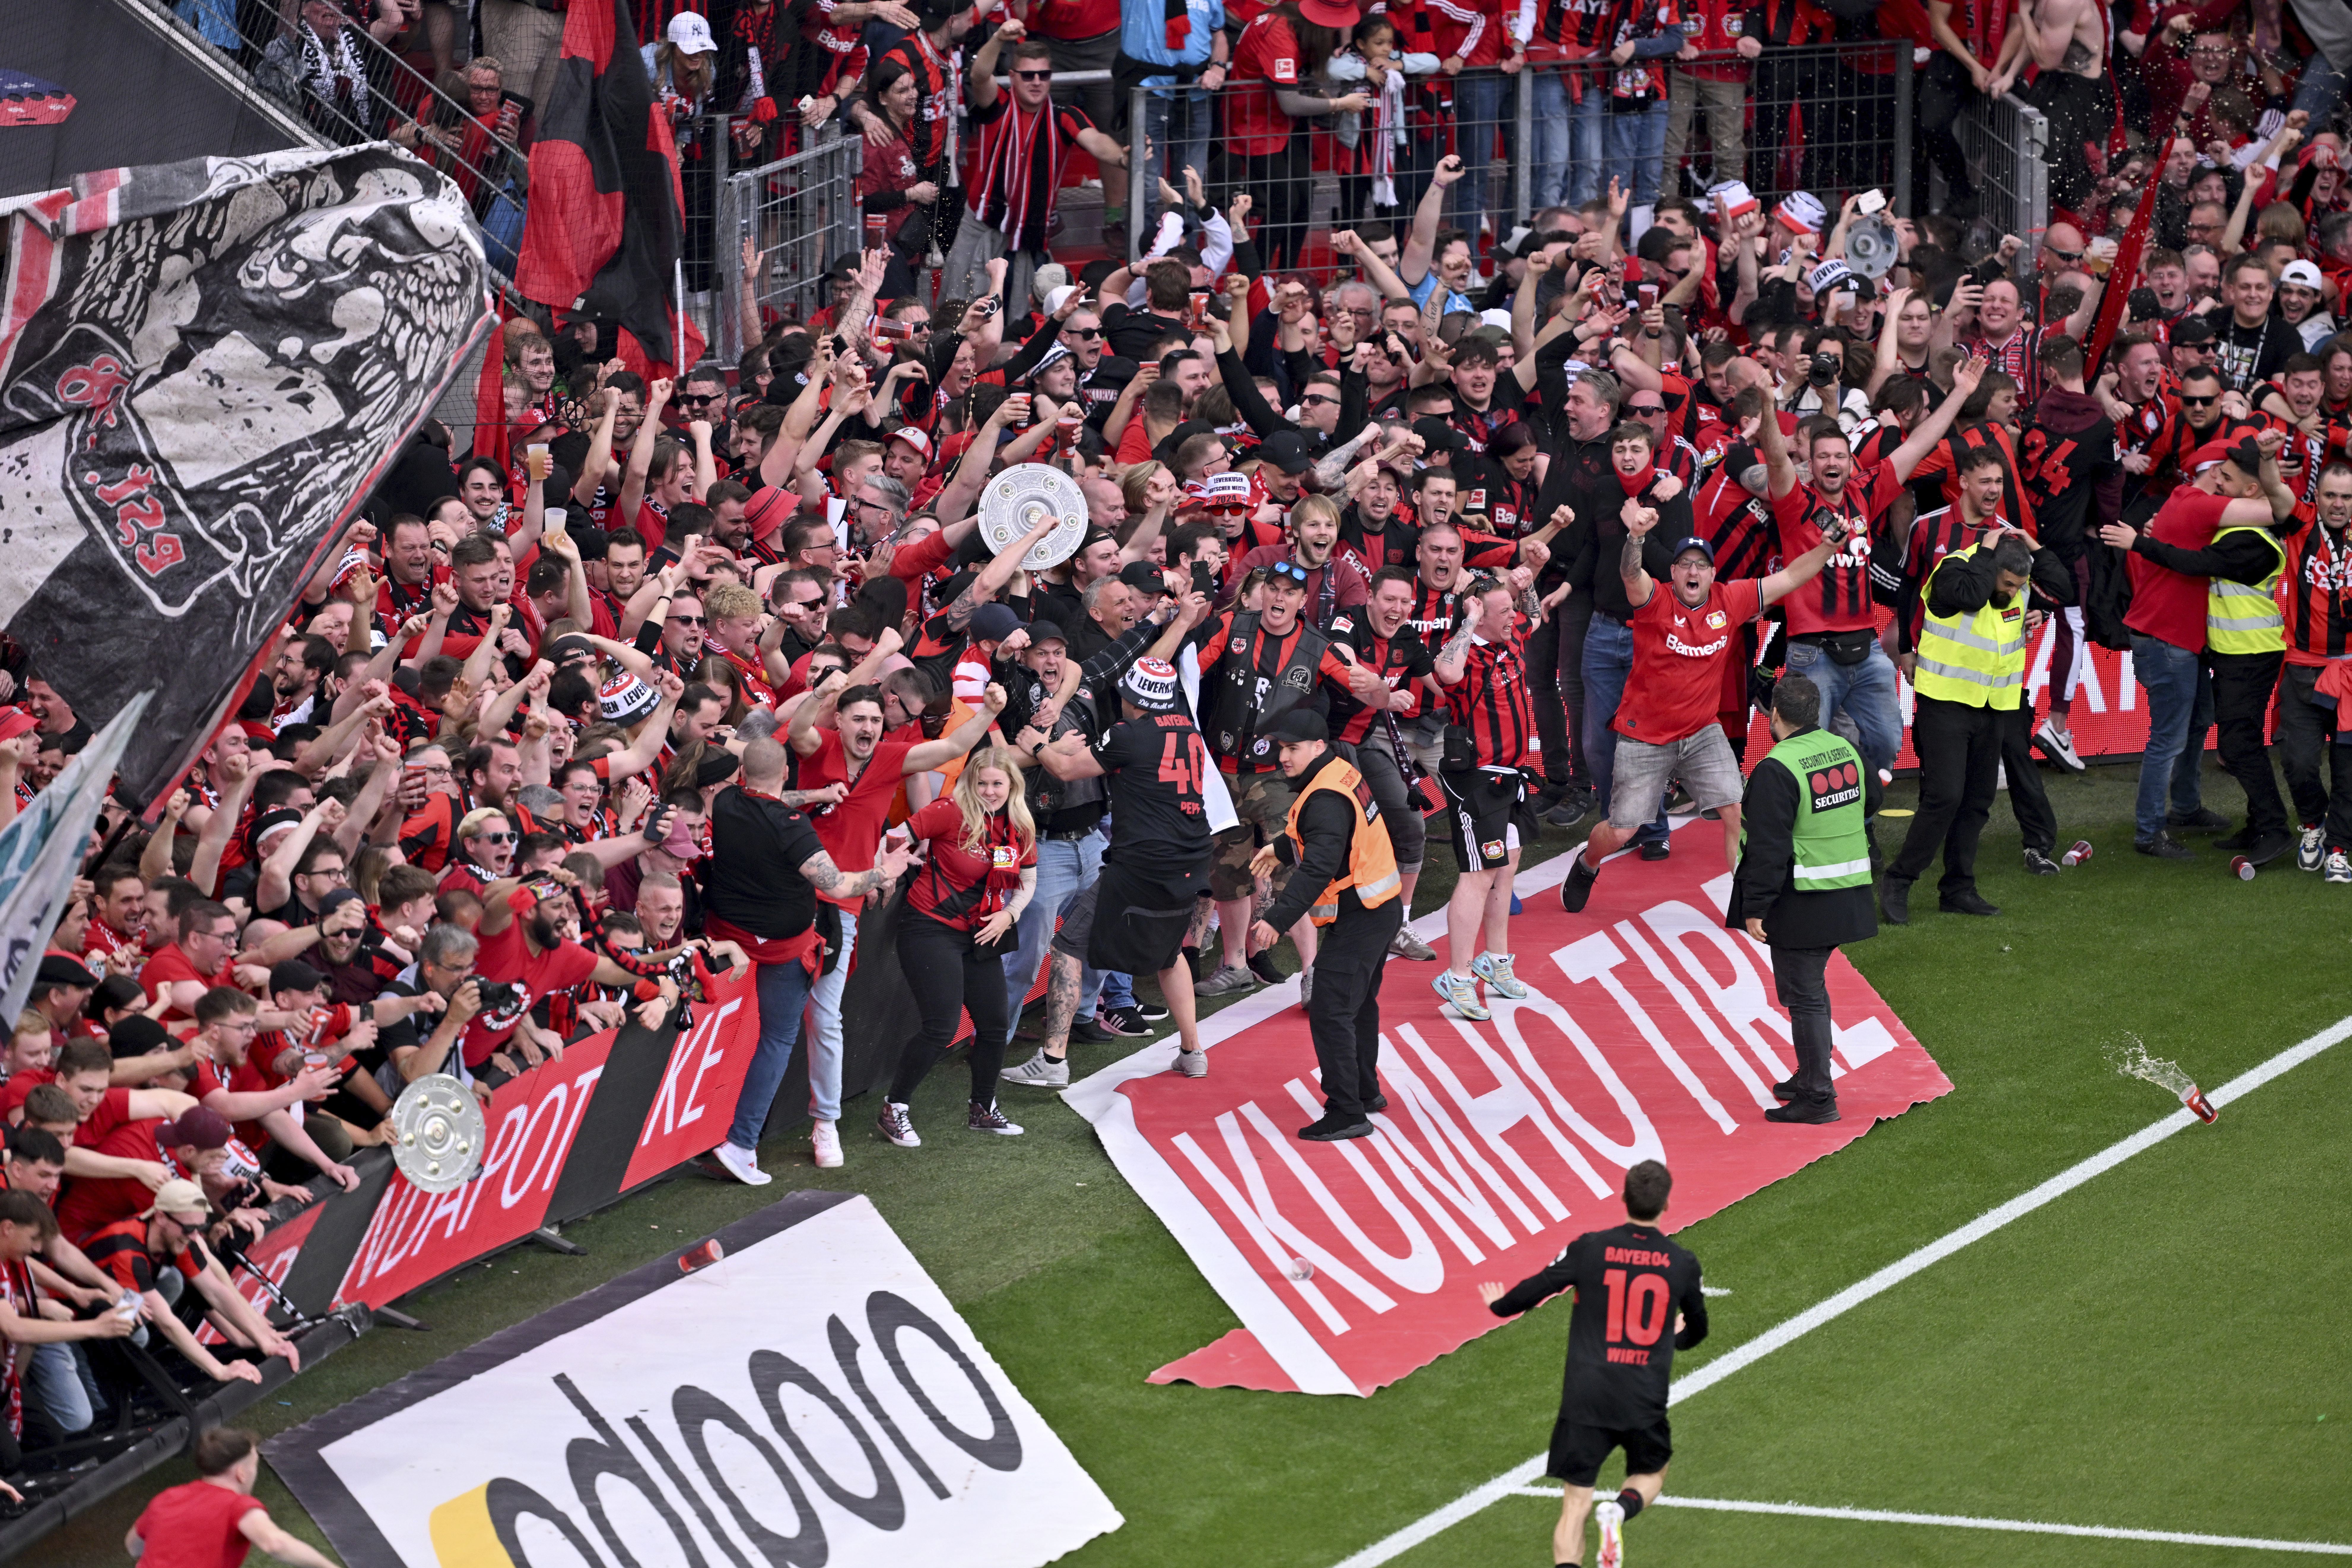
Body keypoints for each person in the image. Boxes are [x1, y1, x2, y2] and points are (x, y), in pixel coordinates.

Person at [1560, 510, 1838, 915]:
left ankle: (1745, 901)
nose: (1693, 572)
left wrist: (1828, 546)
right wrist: (1635, 537)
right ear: (1672, 572)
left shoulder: (1732, 599)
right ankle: (1587, 864)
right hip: (1644, 736)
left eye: (1701, 566)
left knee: (1735, 809)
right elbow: (1629, 574)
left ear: (1711, 574)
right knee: (1622, 830)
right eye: (1685, 565)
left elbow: (1792, 577)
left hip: (1701, 733)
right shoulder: (1654, 599)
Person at [1477, 1160, 1706, 1568]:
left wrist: (1499, 1305)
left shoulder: (1589, 1247)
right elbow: (1696, 1332)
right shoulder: (1681, 1262)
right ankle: (1619, 1510)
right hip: (1641, 1395)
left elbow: (1540, 1286)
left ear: (1623, 1197)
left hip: (1586, 1395)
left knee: (1574, 1504)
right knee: (1651, 1472)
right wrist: (1673, 1336)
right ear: (1666, 1204)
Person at [703, 737, 909, 1183]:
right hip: (781, 947)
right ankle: (741, 1143)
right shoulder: (791, 826)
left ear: (743, 777)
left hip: (726, 937)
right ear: (784, 774)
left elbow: (766, 797)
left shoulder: (725, 802)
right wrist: (884, 873)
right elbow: (835, 885)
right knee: (777, 1038)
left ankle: (723, 1138)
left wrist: (816, 796)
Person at [1021, 659, 1212, 1081]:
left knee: (1069, 945)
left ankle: (1052, 1060)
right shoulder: (1189, 731)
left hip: (1142, 865)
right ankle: (1192, 1050)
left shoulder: (1129, 734)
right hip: (1192, 860)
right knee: (1169, 953)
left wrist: (1036, 744)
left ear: (1133, 697)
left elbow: (1067, 769)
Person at [2112, 430, 2297, 860]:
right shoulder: (2215, 517)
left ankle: (2263, 825)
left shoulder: (2244, 536)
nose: (2217, 483)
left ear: (2249, 491)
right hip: (2213, 649)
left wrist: (2142, 541)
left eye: (2226, 478)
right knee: (2198, 736)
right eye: (2216, 474)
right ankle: (2173, 824)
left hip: (2245, 654)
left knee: (2227, 741)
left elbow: (2200, 562)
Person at [1728, 680, 1881, 1123]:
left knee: (1804, 997)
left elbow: (1767, 847)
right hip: (1848, 893)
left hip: (1803, 902)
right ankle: (1809, 1076)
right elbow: (1872, 798)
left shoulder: (1776, 768)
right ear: (1815, 711)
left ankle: (1817, 1096)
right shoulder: (1842, 748)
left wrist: (1755, 906)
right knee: (1810, 990)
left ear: (1774, 714)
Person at [1244, 711, 1402, 1141]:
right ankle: (1365, 1092)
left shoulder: (1326, 797)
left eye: (1292, 749)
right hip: (1375, 909)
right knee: (1358, 1005)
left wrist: (1276, 919)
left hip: (1363, 916)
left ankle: (1346, 1111)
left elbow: (1318, 866)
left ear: (1317, 746)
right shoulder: (1340, 770)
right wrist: (1280, 846)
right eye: (1281, 748)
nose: (1283, 757)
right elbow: (1326, 836)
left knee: (1331, 1010)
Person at [1882, 529, 2051, 923]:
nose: (2013, 592)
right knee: (1943, 796)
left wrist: (2034, 548)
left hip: (1993, 705)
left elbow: (2063, 585)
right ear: (1990, 566)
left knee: (1976, 800)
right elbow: (1971, 596)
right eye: (2007, 583)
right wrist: (1987, 553)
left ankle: (1958, 888)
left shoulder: (2014, 585)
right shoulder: (1953, 572)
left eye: (2018, 586)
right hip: (1943, 702)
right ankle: (1898, 879)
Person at [877, 751, 1038, 1148]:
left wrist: (1009, 916)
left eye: (997, 784)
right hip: (929, 928)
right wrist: (887, 873)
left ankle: (982, 1109)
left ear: (1011, 786)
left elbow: (1026, 883)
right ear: (970, 782)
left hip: (982, 931)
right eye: (982, 782)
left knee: (995, 1023)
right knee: (941, 1027)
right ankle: (893, 1108)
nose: (989, 791)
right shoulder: (950, 811)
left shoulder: (1015, 826)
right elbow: (892, 838)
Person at [126, 1426, 339, 1568]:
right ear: (241, 1473)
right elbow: (275, 1543)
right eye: (254, 1466)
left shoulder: (168, 1497)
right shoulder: (238, 1505)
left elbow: (133, 1546)